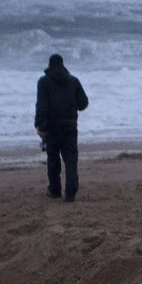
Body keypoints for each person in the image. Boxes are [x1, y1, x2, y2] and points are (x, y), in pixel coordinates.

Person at [34, 53, 89, 201]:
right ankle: (70, 193)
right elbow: (83, 103)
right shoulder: (73, 81)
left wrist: (40, 125)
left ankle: (55, 190)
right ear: (63, 65)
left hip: (52, 127)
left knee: (53, 160)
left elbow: (41, 105)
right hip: (70, 126)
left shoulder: (44, 82)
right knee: (71, 159)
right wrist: (70, 106)